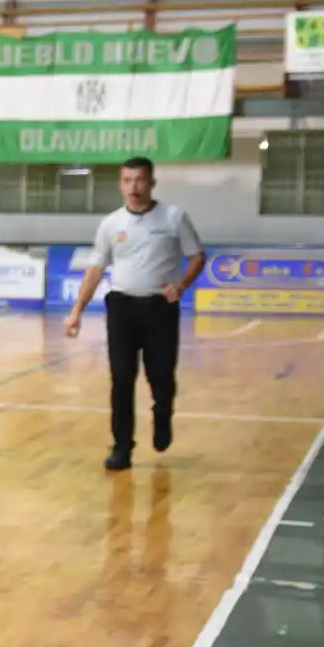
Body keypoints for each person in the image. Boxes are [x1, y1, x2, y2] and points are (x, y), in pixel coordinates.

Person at [65, 156, 205, 471]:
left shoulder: (173, 217)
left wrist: (181, 285)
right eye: (127, 181)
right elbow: (95, 269)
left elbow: (197, 256)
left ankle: (163, 415)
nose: (134, 187)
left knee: (161, 377)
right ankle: (122, 447)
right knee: (121, 379)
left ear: (151, 183)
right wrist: (76, 311)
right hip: (122, 309)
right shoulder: (111, 224)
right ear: (120, 184)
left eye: (140, 180)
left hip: (160, 310)